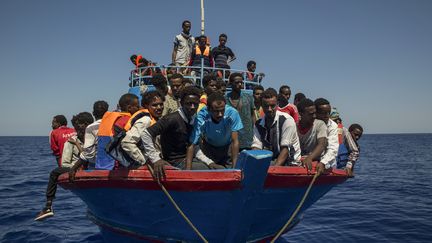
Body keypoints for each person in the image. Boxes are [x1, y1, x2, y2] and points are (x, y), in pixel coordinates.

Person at [35, 112, 94, 221]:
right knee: (55, 172)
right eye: (77, 128)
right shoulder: (70, 141)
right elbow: (65, 163)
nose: (79, 131)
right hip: (74, 167)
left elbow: (58, 153)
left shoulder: (92, 137)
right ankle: (48, 206)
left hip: (89, 168)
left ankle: (48, 205)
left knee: (55, 172)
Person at [141, 86, 204, 180]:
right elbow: (146, 134)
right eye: (189, 104)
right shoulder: (172, 119)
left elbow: (194, 145)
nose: (192, 107)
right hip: (175, 162)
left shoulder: (194, 120)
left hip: (188, 159)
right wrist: (156, 159)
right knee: (207, 170)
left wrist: (210, 162)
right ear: (181, 103)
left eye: (195, 104)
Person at [187, 92, 243, 169]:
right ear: (208, 109)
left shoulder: (233, 113)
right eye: (216, 111)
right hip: (209, 149)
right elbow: (192, 143)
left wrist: (234, 169)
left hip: (228, 149)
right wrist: (188, 171)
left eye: (222, 110)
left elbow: (235, 141)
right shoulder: (202, 116)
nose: (220, 114)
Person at [252, 89, 301, 165]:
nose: (269, 109)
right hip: (273, 160)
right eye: (266, 106)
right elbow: (256, 147)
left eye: (272, 106)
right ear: (261, 105)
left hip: (291, 162)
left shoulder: (287, 120)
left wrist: (273, 169)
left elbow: (285, 151)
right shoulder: (258, 124)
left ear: (277, 104)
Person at [95, 93, 140, 170]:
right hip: (118, 165)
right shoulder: (127, 120)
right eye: (137, 106)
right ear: (129, 108)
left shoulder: (113, 118)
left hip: (102, 165)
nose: (139, 109)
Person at [121, 91, 165, 167]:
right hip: (149, 165)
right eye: (154, 105)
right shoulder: (145, 120)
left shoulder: (157, 119)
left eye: (161, 104)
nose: (159, 107)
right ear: (146, 106)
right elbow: (126, 143)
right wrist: (145, 161)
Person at [296, 98, 328, 175]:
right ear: (301, 113)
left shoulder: (320, 124)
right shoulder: (294, 126)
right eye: (310, 114)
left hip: (314, 161)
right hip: (298, 162)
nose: (314, 116)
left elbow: (322, 145)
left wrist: (309, 158)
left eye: (315, 113)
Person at [226, 73, 255, 150]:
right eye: (236, 82)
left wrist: (254, 130)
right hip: (230, 137)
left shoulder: (248, 97)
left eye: (241, 82)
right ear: (231, 83)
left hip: (247, 137)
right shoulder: (225, 99)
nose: (240, 84)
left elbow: (252, 115)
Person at [78, 101, 109, 167]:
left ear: (93, 113)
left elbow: (89, 152)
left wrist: (74, 167)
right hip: (112, 164)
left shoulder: (91, 127)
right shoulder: (113, 124)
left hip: (96, 165)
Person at [314, 98, 339, 169]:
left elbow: (333, 148)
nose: (327, 115)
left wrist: (323, 162)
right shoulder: (311, 123)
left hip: (327, 163)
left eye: (329, 112)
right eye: (324, 113)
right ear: (316, 112)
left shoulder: (333, 126)